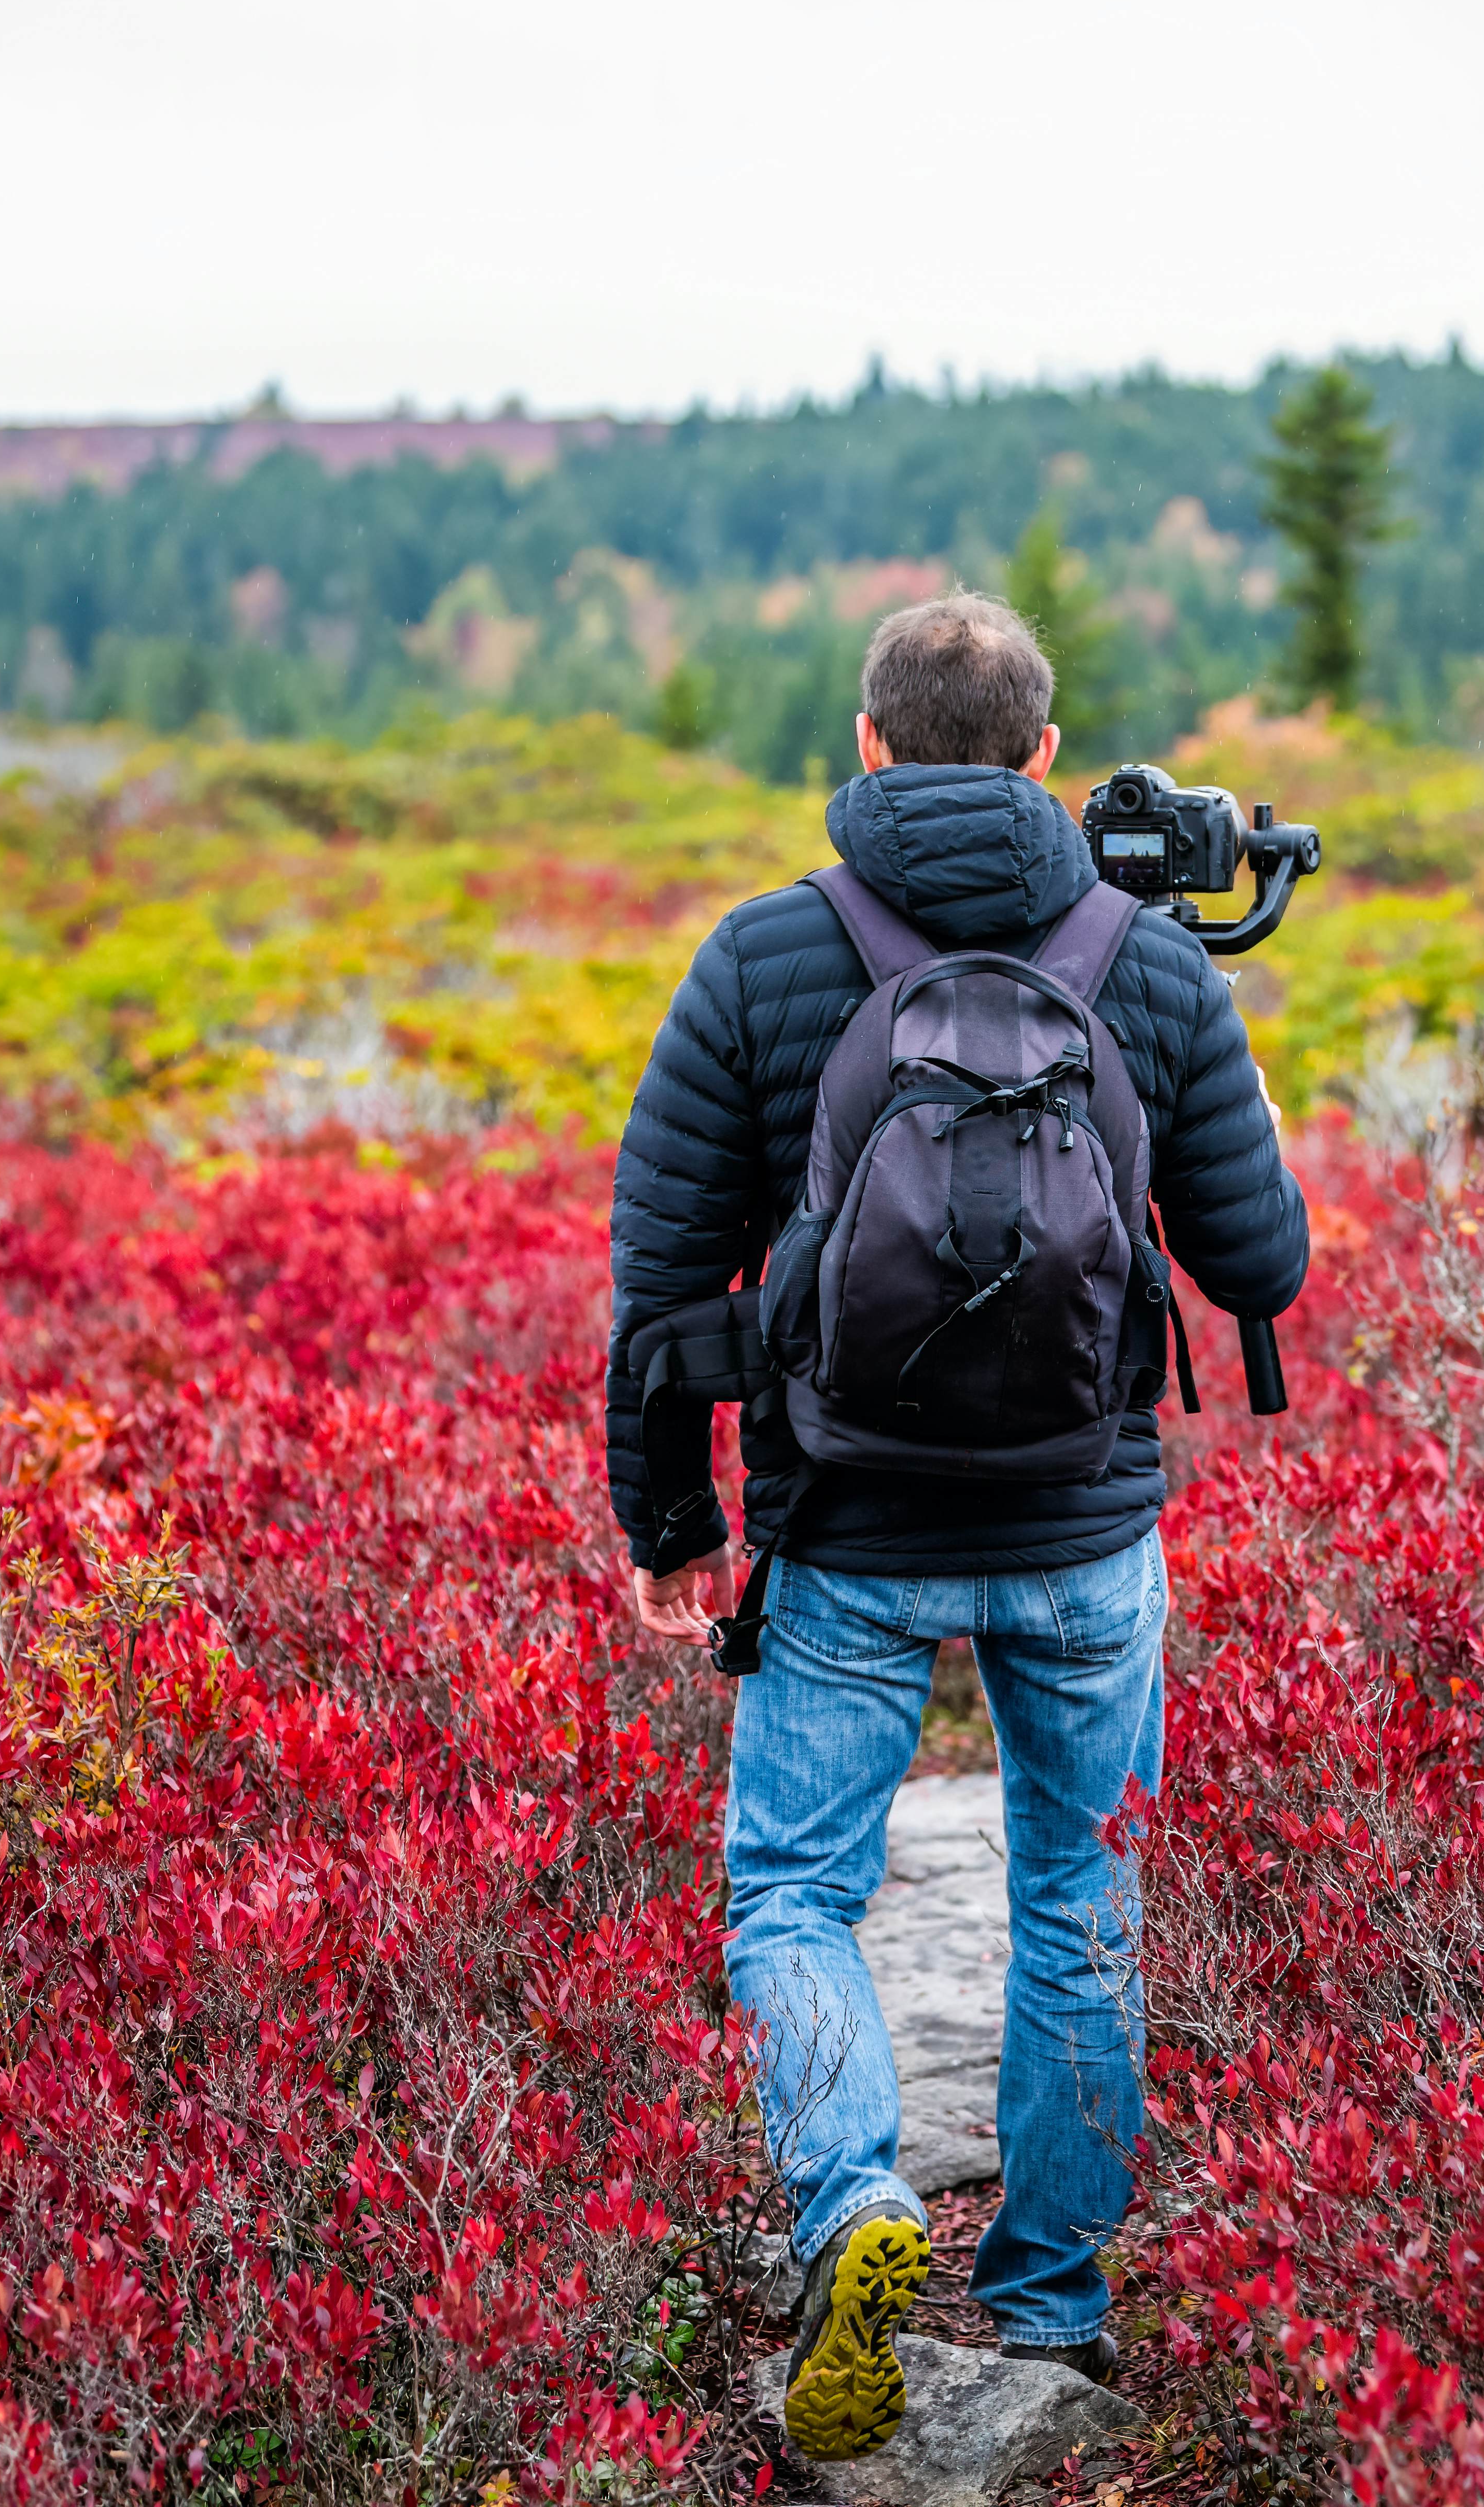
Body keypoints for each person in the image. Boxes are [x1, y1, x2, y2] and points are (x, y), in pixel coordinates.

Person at [607, 591, 1306, 2460]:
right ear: (1050, 759)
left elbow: (666, 1277)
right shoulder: (1147, 961)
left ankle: (856, 2207)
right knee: (1080, 1898)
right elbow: (1264, 1260)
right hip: (1086, 1528)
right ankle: (1053, 2310)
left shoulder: (764, 960)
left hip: (840, 1523)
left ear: (867, 748)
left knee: (794, 1896)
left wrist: (671, 1519)